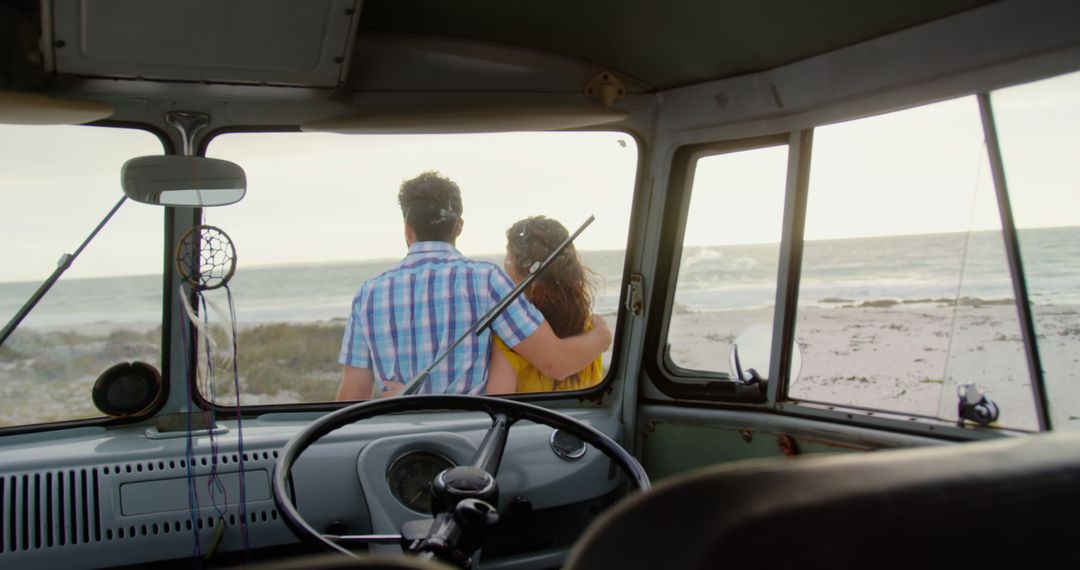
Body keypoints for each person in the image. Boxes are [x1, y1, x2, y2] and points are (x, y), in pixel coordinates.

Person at [336, 171, 611, 400]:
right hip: (467, 441)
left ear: (408, 229)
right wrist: (602, 336)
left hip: (394, 443)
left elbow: (353, 394)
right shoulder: (487, 280)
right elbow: (554, 362)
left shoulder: (367, 295)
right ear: (459, 227)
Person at [487, 216, 604, 394]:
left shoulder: (509, 336)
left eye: (507, 253)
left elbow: (499, 405)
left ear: (524, 268)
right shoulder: (589, 328)